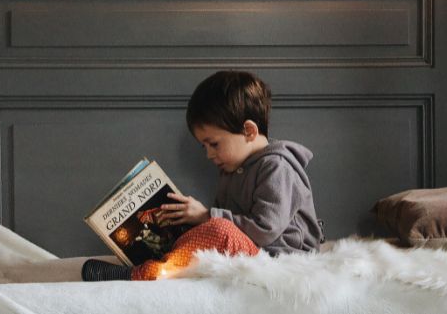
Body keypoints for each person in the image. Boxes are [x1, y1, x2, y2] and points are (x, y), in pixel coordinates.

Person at [81, 70, 324, 281]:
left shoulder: (277, 167)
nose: (209, 154)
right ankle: (155, 262)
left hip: (279, 259)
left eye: (214, 144)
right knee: (193, 228)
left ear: (248, 131)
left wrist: (207, 216)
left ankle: (142, 274)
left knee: (219, 230)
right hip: (251, 251)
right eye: (204, 147)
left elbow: (264, 230)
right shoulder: (231, 169)